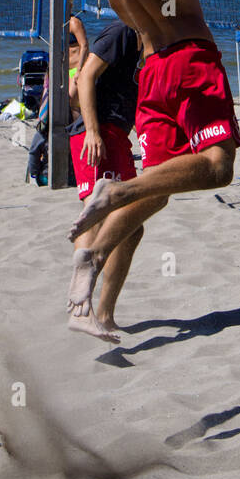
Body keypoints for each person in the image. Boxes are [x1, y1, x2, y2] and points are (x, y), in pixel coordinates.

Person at [40, 0, 240, 334]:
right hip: (189, 59)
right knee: (218, 167)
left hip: (152, 75)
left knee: (159, 188)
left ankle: (91, 265)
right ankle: (115, 193)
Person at [68, 19, 142, 341]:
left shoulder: (147, 46)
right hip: (97, 134)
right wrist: (93, 130)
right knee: (95, 218)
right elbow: (84, 77)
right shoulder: (122, 31)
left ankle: (105, 315)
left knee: (131, 227)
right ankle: (79, 311)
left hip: (117, 136)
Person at [67, 0, 90, 116]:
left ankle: (78, 131)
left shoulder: (74, 22)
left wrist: (79, 70)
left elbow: (84, 45)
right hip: (65, 70)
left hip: (77, 68)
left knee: (72, 100)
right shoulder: (58, 23)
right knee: (67, 102)